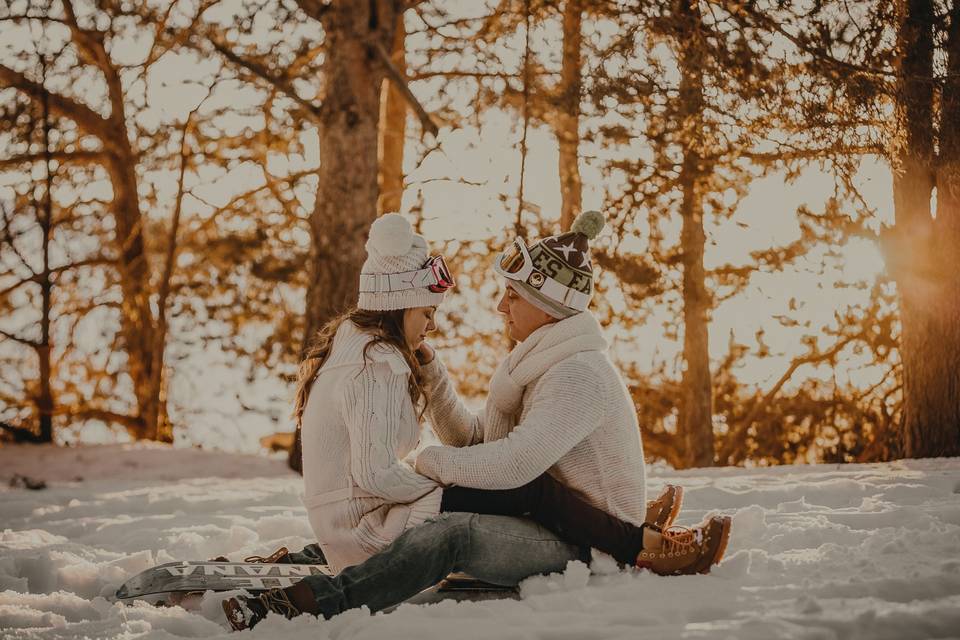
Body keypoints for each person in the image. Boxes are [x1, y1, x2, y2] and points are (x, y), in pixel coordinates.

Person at [221, 212, 731, 630]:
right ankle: (317, 556)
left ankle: (310, 603)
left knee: (449, 533)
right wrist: (433, 373)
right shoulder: (536, 364)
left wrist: (430, 461)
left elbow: (510, 467)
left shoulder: (576, 374)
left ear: (546, 306)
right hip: (547, 514)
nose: (499, 306)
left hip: (583, 536)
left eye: (513, 296)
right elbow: (476, 443)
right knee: (433, 511)